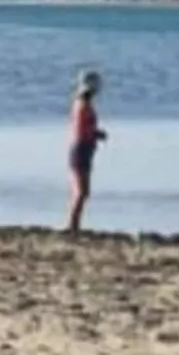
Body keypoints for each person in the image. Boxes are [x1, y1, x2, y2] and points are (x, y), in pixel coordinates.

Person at [66, 68, 109, 233]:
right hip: (81, 149)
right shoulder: (82, 105)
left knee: (83, 191)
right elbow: (82, 129)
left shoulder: (83, 103)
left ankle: (74, 224)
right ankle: (73, 225)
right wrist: (96, 134)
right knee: (82, 192)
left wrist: (96, 134)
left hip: (84, 149)